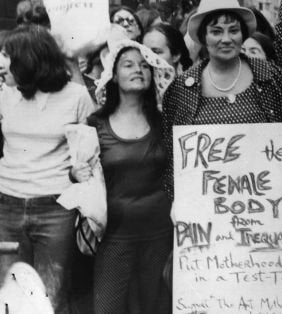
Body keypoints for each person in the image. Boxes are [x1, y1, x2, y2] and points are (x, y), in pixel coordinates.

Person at [161, 0, 282, 200]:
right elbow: (173, 157)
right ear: (203, 37)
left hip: (265, 209)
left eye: (233, 30)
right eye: (216, 31)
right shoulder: (182, 88)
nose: (226, 39)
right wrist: (178, 203)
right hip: (205, 215)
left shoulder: (270, 77)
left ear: (243, 34)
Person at [0, 25, 95, 314]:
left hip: (56, 209)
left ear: (29, 59)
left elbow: (90, 154)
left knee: (49, 297)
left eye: (6, 55)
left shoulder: (77, 96)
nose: (0, 62)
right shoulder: (4, 93)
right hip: (6, 205)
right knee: (10, 296)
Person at [76, 39, 175, 314]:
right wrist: (77, 173)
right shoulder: (95, 124)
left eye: (145, 65)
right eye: (128, 64)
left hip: (160, 234)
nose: (138, 70)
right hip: (114, 237)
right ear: (113, 75)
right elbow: (80, 177)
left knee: (155, 308)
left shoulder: (163, 120)